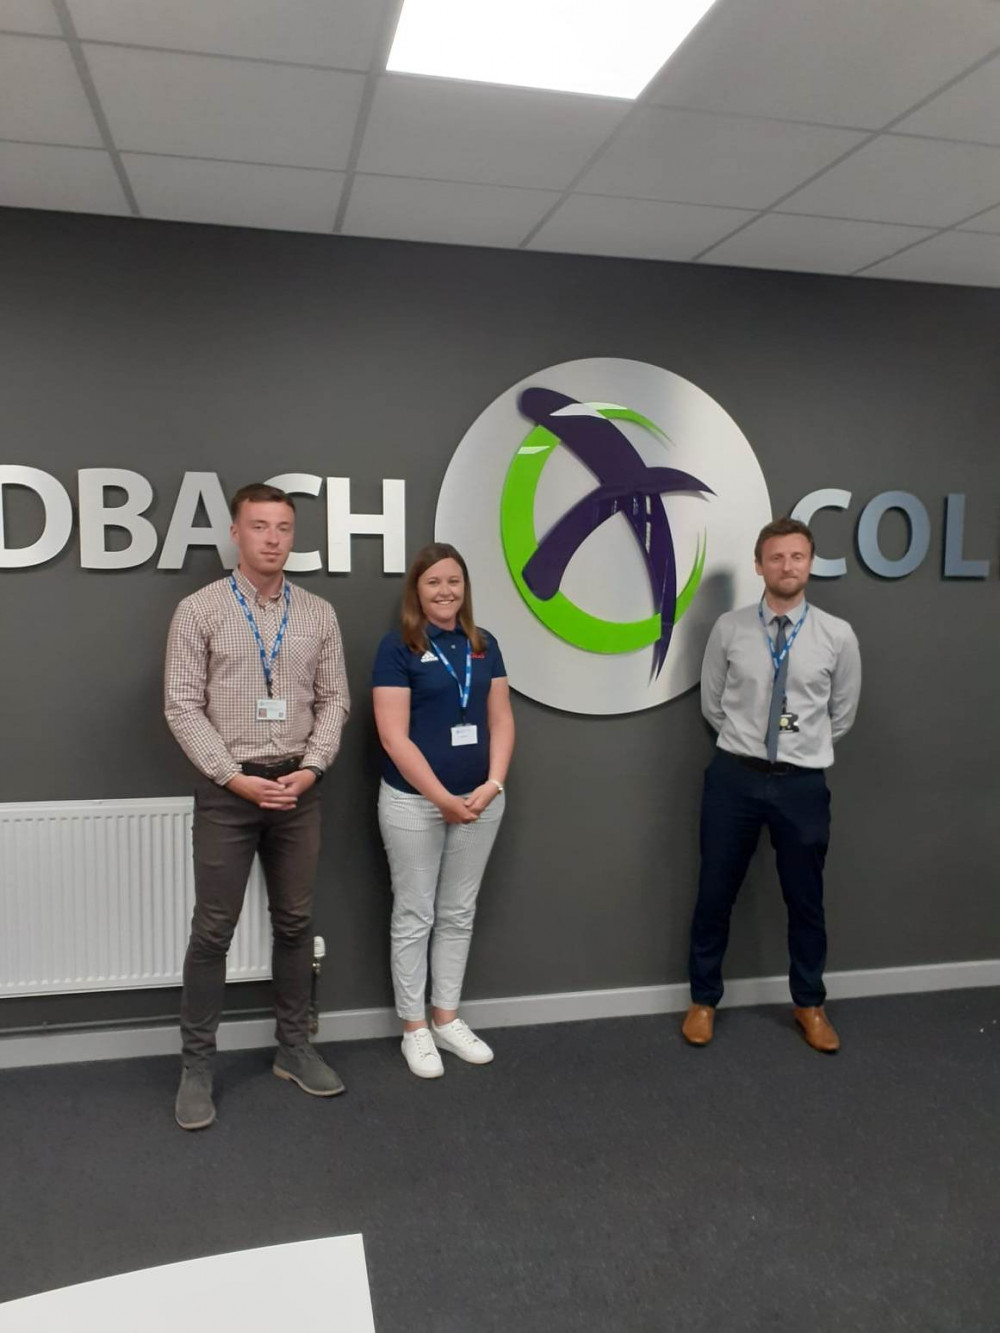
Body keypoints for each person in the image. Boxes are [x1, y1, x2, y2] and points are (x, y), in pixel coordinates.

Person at [164, 482, 350, 1129]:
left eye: (283, 528)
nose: (273, 539)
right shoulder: (200, 610)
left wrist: (310, 768)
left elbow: (335, 702)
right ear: (236, 535)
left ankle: (294, 1047)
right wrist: (232, 777)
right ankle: (196, 1067)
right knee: (212, 930)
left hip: (297, 791)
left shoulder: (319, 615)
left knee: (296, 922)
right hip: (230, 793)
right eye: (260, 526)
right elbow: (182, 705)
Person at [682, 517, 861, 1053]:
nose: (787, 567)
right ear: (759, 565)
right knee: (714, 892)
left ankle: (809, 1004)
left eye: (797, 557)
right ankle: (703, 1000)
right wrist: (753, 742)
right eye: (776, 558)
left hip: (802, 784)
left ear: (811, 564)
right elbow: (712, 705)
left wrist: (798, 747)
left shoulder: (837, 636)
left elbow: (842, 714)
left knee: (806, 900)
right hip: (734, 778)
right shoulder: (730, 629)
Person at [372, 542, 514, 1078]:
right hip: (415, 804)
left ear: (465, 587)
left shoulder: (485, 644)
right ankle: (414, 1029)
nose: (445, 591)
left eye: (454, 581)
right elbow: (393, 736)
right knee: (414, 915)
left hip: (481, 801)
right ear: (417, 590)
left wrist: (494, 783)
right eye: (434, 582)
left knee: (457, 914)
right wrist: (442, 800)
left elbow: (501, 719)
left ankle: (446, 1019)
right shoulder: (397, 647)